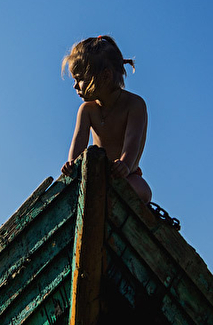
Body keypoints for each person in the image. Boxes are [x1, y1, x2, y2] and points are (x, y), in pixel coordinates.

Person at [61, 35, 152, 204]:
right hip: (95, 174)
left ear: (105, 76)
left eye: (80, 79)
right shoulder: (87, 110)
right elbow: (79, 142)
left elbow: (133, 140)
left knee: (143, 191)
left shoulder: (134, 105)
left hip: (126, 175)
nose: (75, 86)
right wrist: (71, 164)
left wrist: (124, 165)